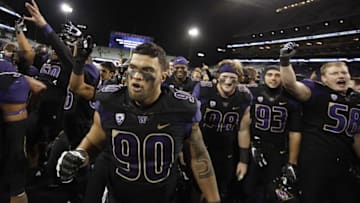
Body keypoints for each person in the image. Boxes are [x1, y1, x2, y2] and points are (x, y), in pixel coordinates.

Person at [56, 42, 220, 203]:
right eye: (133, 68)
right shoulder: (110, 101)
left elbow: (198, 157)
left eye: (147, 70)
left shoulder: (182, 108)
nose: (136, 76)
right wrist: (79, 154)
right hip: (118, 196)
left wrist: (214, 198)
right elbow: (94, 141)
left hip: (163, 196)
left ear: (163, 76)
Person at [279, 42, 360, 203]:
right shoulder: (317, 92)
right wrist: (284, 61)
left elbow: (356, 135)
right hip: (316, 163)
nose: (341, 76)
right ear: (324, 78)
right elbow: (291, 85)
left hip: (344, 162)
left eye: (344, 72)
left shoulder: (355, 100)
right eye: (334, 73)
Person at [192, 59, 251, 202]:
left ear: (239, 79)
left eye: (233, 78)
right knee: (196, 190)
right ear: (218, 76)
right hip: (200, 149)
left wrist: (243, 160)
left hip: (226, 151)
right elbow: (190, 123)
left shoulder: (244, 96)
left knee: (221, 190)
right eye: (225, 77)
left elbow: (243, 130)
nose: (228, 81)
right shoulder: (204, 90)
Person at [242, 65, 302, 203]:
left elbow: (295, 132)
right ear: (264, 76)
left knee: (274, 189)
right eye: (270, 75)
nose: (273, 78)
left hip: (278, 150)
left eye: (277, 75)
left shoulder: (291, 98)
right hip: (255, 146)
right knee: (249, 187)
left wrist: (292, 162)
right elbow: (243, 126)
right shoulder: (252, 92)